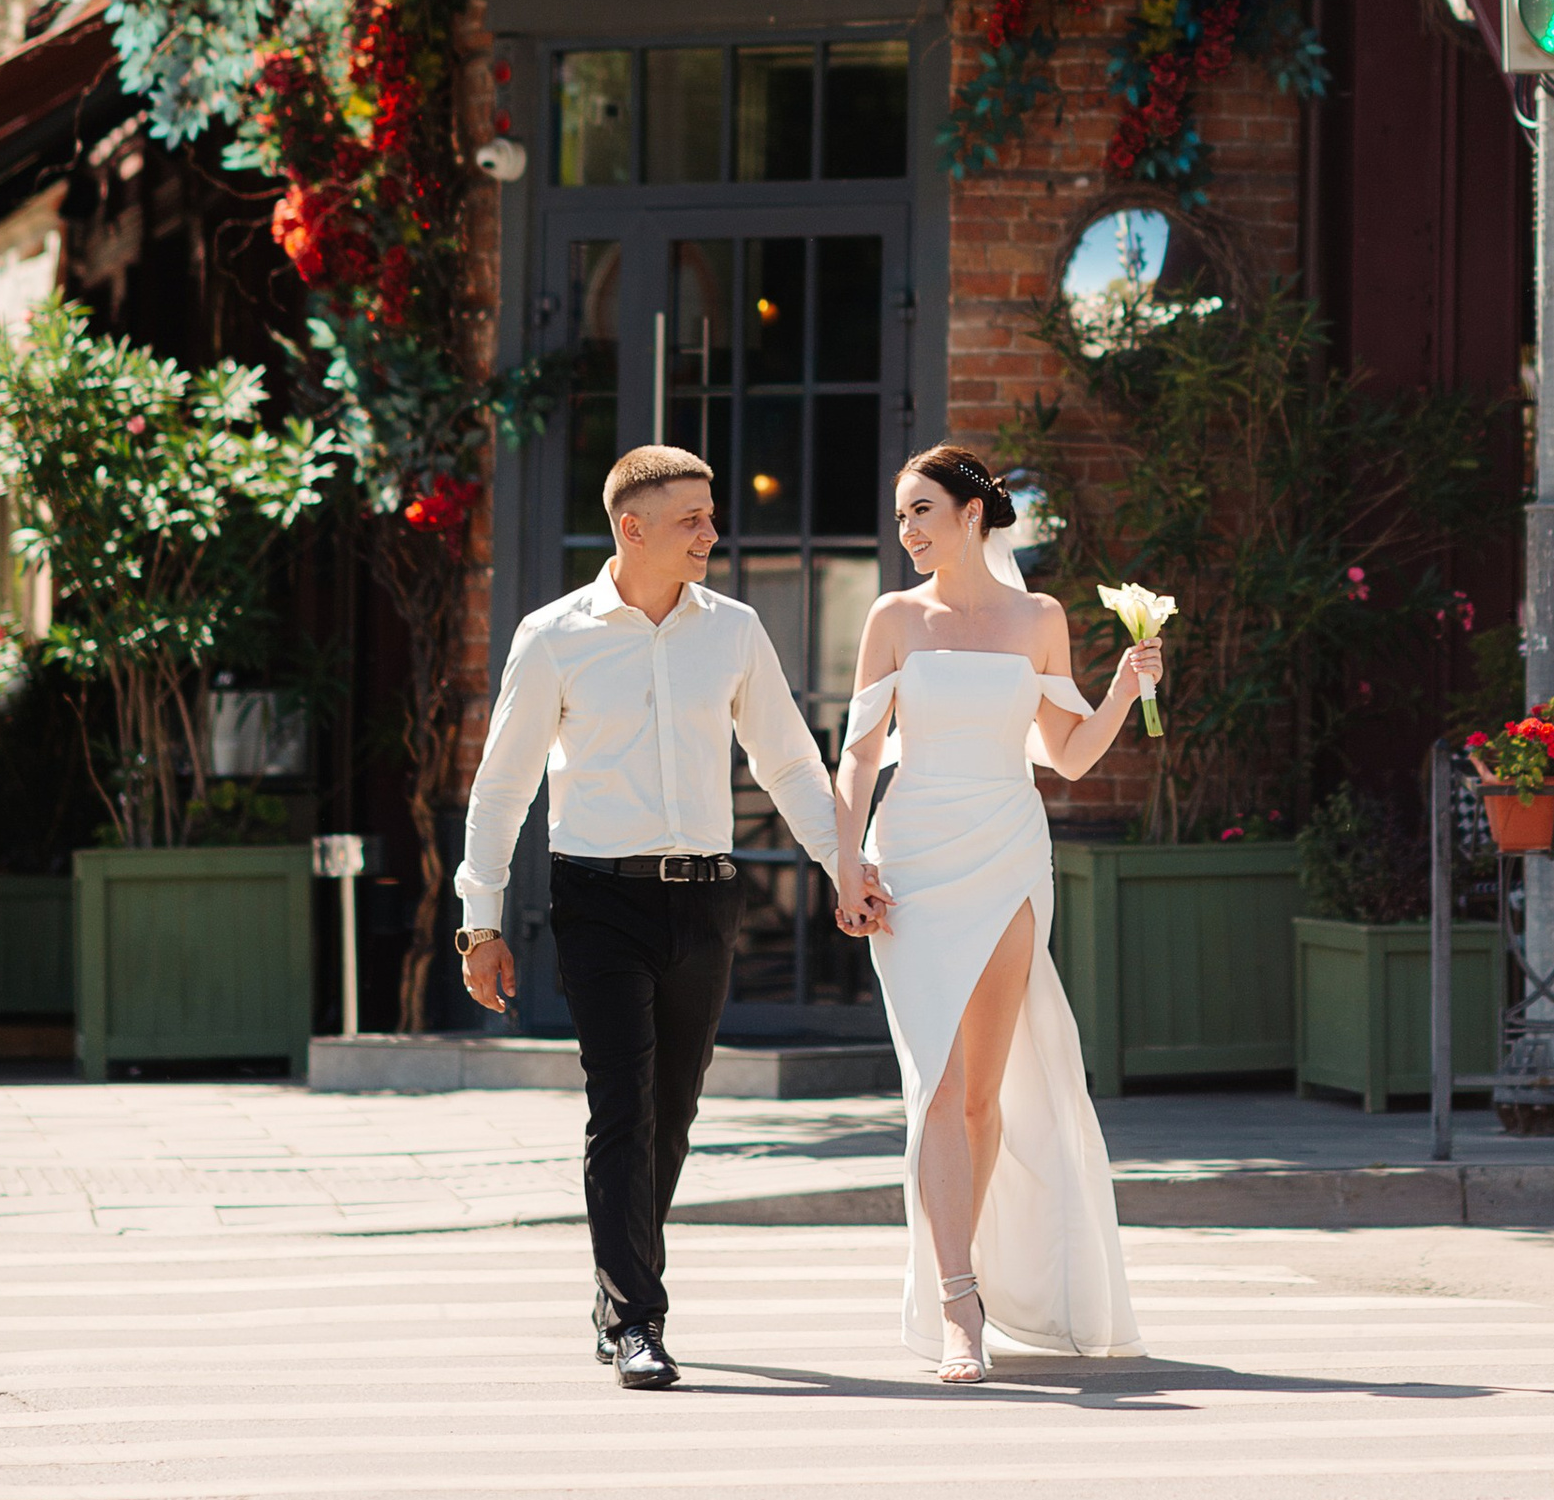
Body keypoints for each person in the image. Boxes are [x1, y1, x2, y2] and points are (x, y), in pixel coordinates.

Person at [453, 443, 884, 1389]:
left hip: (706, 895)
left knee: (673, 1113)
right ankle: (637, 1320)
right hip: (598, 897)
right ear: (632, 528)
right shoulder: (554, 636)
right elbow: (502, 786)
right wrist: (480, 921)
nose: (711, 533)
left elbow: (787, 762)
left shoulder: (732, 630)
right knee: (622, 1104)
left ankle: (616, 1292)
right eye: (692, 517)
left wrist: (845, 866)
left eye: (710, 514)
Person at [832, 441, 1161, 1385]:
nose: (907, 529)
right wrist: (847, 863)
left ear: (972, 513)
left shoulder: (1040, 617)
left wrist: (1125, 689)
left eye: (922, 510)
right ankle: (956, 1305)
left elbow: (1070, 755)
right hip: (914, 858)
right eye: (901, 514)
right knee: (934, 1083)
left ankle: (959, 1271)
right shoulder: (894, 617)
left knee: (982, 1094)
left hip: (1011, 853)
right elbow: (859, 754)